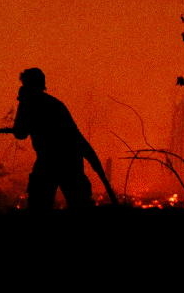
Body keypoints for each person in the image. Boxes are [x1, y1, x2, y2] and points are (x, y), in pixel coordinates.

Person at [12, 68, 118, 209]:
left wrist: (93, 160)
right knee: (78, 204)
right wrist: (94, 160)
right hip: (68, 161)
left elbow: (20, 133)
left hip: (54, 161)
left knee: (40, 206)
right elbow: (77, 137)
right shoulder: (55, 105)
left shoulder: (28, 104)